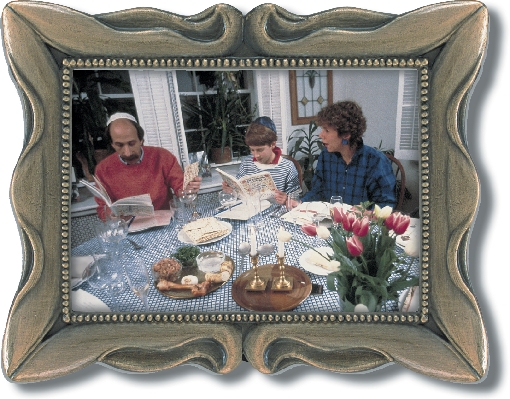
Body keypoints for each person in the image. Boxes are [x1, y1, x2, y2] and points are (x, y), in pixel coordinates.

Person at [94, 112, 202, 219]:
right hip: (128, 228)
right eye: (119, 145)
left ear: (141, 140)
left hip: (165, 223)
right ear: (112, 144)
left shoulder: (162, 156)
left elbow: (181, 188)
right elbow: (102, 209)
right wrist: (110, 214)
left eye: (132, 143)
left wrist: (189, 189)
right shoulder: (102, 170)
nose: (127, 152)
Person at [301, 101, 396, 208]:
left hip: (363, 223)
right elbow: (318, 191)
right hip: (332, 222)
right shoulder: (325, 156)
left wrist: (366, 213)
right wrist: (301, 202)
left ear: (346, 134)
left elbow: (387, 204)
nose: (321, 135)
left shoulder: (376, 161)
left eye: (326, 130)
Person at [222, 116, 301, 204]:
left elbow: (296, 198)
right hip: (249, 211)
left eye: (260, 150)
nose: (256, 155)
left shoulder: (287, 166)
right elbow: (239, 191)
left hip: (275, 214)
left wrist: (286, 199)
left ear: (273, 144)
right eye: (252, 150)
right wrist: (231, 190)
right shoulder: (247, 163)